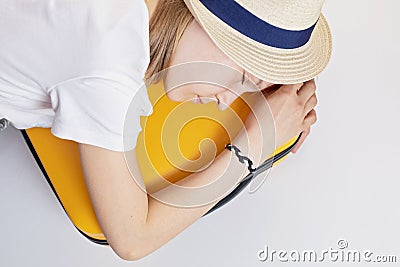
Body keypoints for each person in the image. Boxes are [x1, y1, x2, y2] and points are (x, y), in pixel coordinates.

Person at [0, 0, 331, 261]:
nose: (225, 102)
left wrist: (278, 69)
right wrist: (257, 141)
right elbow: (132, 238)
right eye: (243, 77)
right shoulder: (107, 64)